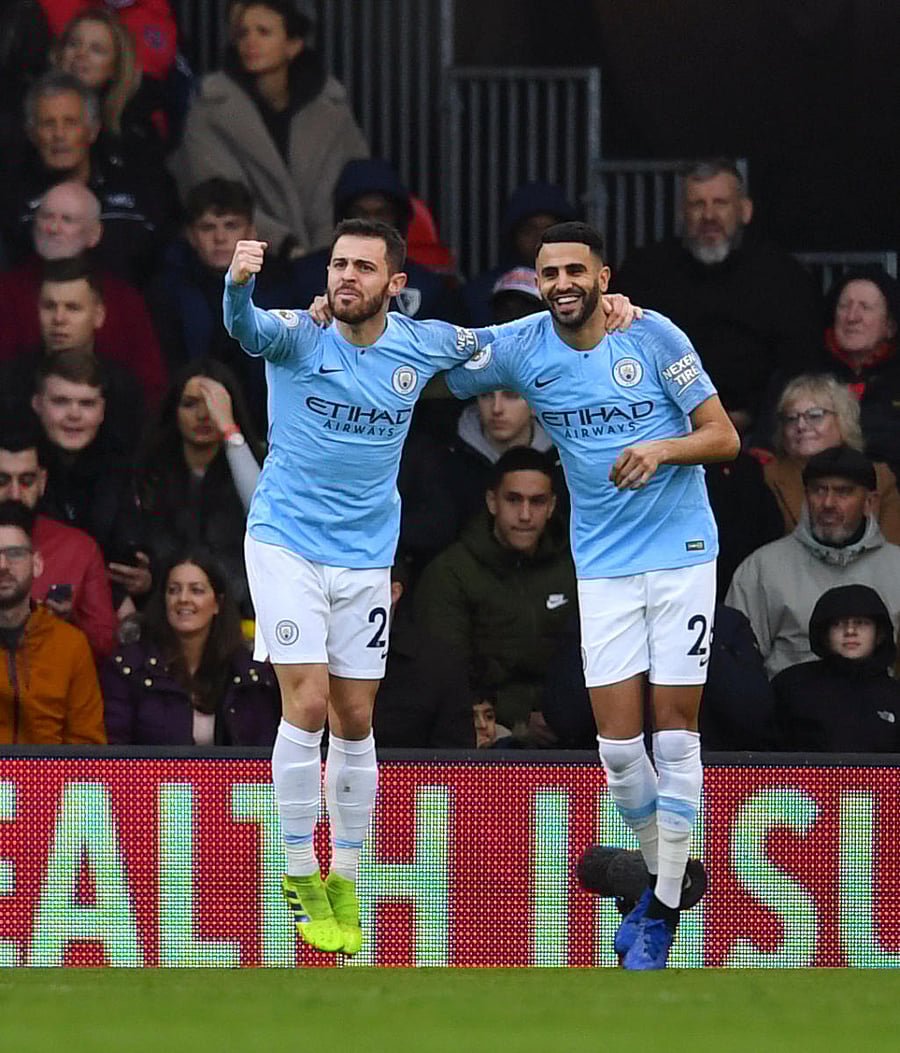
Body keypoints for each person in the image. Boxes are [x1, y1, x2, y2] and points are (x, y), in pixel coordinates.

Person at [224, 217, 639, 955]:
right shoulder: (297, 334)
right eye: (338, 264)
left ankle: (345, 877)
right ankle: (297, 874)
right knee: (310, 702)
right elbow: (243, 328)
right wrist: (239, 280)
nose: (345, 277)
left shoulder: (421, 347)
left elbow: (505, 345)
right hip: (285, 543)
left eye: (362, 266)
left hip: (364, 558)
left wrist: (603, 310)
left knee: (356, 717)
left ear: (396, 284)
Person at [442, 220, 740, 969]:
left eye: (577, 269)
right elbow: (440, 359)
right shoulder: (523, 347)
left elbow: (724, 436)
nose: (564, 283)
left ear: (604, 276)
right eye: (550, 273)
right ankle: (663, 884)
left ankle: (662, 912)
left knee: (672, 734)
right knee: (616, 749)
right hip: (603, 565)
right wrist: (353, 320)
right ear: (538, 284)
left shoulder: (654, 336)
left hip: (679, 555)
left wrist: (661, 448)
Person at [616, 159, 822, 436]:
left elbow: (801, 366)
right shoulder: (644, 273)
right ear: (681, 213)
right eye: (697, 204)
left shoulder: (783, 277)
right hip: (663, 428)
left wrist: (751, 416)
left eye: (720, 203)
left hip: (763, 434)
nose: (709, 215)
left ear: (745, 210)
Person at [170, 0, 368, 260]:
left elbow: (359, 184)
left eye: (263, 32)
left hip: (330, 259)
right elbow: (208, 188)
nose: (250, 41)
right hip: (247, 261)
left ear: (293, 44)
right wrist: (284, 245)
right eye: (243, 33)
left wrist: (328, 252)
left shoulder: (331, 108)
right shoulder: (210, 108)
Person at [415, 447, 576, 746]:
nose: (525, 515)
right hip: (481, 728)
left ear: (552, 506)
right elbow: (444, 671)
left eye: (537, 502)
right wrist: (516, 718)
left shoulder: (576, 567)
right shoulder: (452, 572)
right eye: (513, 500)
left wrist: (561, 712)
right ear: (492, 501)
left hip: (567, 725)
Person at [726, 445, 900, 678]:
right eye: (818, 491)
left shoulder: (896, 567)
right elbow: (735, 665)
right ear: (805, 496)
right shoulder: (762, 568)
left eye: (843, 492)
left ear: (870, 502)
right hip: (787, 710)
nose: (828, 503)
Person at [0, 70, 174, 284]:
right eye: (48, 124)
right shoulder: (13, 202)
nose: (59, 135)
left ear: (92, 130)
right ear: (31, 133)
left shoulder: (135, 188)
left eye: (70, 123)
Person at [0, 181, 166, 397]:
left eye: (67, 220)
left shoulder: (123, 299)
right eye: (46, 217)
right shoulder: (7, 292)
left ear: (95, 233)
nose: (53, 228)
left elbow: (151, 386)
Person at [101, 549, 280, 745]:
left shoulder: (250, 673)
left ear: (217, 603)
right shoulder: (129, 668)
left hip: (235, 777)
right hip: (153, 776)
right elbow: (115, 751)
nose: (183, 599)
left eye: (196, 590)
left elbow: (264, 753)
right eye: (174, 590)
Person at [136, 359, 263, 618]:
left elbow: (264, 511)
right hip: (165, 613)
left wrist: (230, 432)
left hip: (241, 615)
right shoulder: (147, 472)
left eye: (213, 405)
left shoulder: (256, 465)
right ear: (173, 409)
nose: (204, 415)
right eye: (190, 404)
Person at [31, 349, 151, 613]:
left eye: (86, 404)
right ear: (37, 404)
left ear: (102, 410)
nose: (74, 415)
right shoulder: (13, 467)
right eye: (61, 402)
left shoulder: (124, 469)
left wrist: (147, 582)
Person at [285, 158, 465, 324]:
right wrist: (308, 323)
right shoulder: (301, 278)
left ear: (398, 218)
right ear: (343, 217)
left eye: (381, 213)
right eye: (360, 212)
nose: (370, 222)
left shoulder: (431, 289)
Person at [0, 422, 118, 661]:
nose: (14, 494)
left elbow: (107, 644)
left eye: (26, 481)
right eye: (2, 481)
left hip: (56, 687)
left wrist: (65, 625)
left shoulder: (79, 549)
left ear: (42, 481)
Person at [0, 499, 106, 744]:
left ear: (37, 564)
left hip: (50, 780)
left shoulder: (70, 645)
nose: (3, 565)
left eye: (14, 554)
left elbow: (87, 747)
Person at [761, 373, 900, 543]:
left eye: (815, 415)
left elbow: (893, 549)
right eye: (791, 418)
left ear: (844, 419)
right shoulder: (766, 477)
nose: (801, 425)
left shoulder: (880, 477)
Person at [771, 585, 900, 752]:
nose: (850, 631)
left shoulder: (894, 697)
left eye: (861, 623)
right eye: (839, 624)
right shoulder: (791, 687)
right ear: (824, 634)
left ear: (880, 634)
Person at [371, 557, 474, 749]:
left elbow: (456, 760)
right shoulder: (317, 654)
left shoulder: (440, 664)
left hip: (417, 777)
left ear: (394, 592)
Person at [51, 6, 168, 159]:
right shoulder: (29, 111)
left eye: (96, 49)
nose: (80, 54)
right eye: (73, 44)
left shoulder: (135, 130)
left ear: (116, 66)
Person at [462, 181, 579, 326]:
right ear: (514, 235)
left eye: (550, 229)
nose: (540, 238)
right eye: (529, 230)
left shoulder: (588, 287)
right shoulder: (480, 294)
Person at [817, 267, 900, 471]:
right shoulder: (805, 372)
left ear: (890, 327)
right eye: (844, 306)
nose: (852, 317)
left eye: (865, 307)